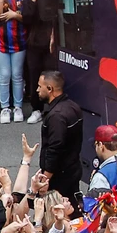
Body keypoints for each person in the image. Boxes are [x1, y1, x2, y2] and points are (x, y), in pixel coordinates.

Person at [36, 68, 84, 197]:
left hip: (59, 177)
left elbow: (55, 148)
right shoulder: (73, 106)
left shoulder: (56, 116)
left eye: (40, 87)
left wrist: (45, 177)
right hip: (72, 168)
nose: (37, 90)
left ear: (50, 89)